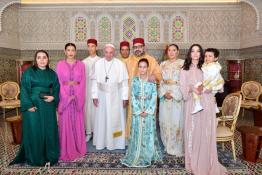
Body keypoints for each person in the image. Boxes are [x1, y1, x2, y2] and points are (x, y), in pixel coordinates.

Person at [180, 44, 227, 175]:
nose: (195, 54)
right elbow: (183, 88)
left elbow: (220, 84)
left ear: (201, 54)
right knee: (193, 132)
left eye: (198, 51)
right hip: (192, 104)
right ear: (189, 54)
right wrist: (191, 88)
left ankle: (208, 162)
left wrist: (209, 89)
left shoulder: (206, 67)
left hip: (207, 103)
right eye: (193, 51)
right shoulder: (184, 69)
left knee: (206, 133)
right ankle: (193, 162)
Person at [10, 50, 60, 166]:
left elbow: (57, 88)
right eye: (39, 57)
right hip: (33, 106)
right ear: (35, 59)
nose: (42, 60)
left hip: (48, 106)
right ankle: (35, 157)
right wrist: (28, 105)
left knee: (49, 129)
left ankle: (50, 155)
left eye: (44, 57)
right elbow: (24, 89)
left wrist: (53, 97)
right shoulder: (29, 72)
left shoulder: (52, 73)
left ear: (48, 59)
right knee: (35, 130)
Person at [121, 58, 162, 167]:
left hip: (148, 113)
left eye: (144, 67)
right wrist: (139, 110)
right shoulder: (134, 80)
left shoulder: (152, 81)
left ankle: (148, 154)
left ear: (147, 68)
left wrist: (148, 110)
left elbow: (154, 96)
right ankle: (136, 153)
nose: (142, 69)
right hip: (137, 113)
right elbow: (133, 96)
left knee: (148, 134)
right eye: (140, 67)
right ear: (138, 68)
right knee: (137, 133)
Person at [92, 44, 128, 150]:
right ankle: (102, 142)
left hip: (116, 95)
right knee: (102, 118)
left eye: (111, 52)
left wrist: (125, 97)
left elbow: (125, 82)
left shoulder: (120, 64)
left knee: (116, 118)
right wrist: (94, 95)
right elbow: (94, 81)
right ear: (103, 52)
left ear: (114, 52)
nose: (108, 55)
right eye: (106, 52)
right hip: (102, 95)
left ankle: (116, 142)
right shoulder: (98, 64)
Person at [125, 37, 162, 138]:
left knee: (147, 120)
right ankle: (133, 139)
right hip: (133, 97)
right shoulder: (128, 61)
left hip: (147, 99)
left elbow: (158, 74)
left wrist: (155, 76)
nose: (137, 49)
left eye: (139, 47)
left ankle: (147, 140)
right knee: (133, 117)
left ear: (144, 47)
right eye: (135, 47)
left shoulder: (151, 60)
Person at [56, 43, 86, 161]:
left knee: (77, 122)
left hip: (78, 97)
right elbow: (58, 82)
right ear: (65, 51)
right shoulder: (60, 65)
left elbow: (83, 82)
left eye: (73, 50)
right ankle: (67, 148)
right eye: (68, 50)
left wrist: (77, 95)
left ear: (76, 51)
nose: (70, 52)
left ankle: (79, 148)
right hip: (65, 99)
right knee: (66, 123)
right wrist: (67, 97)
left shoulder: (81, 65)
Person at [159, 44, 184, 156]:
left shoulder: (182, 64)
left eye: (174, 50)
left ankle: (176, 146)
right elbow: (160, 81)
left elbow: (184, 81)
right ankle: (166, 145)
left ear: (178, 52)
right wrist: (164, 93)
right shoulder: (162, 64)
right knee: (164, 121)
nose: (171, 52)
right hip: (165, 96)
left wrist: (174, 94)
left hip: (177, 95)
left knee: (176, 121)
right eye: (169, 50)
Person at [192, 48, 224, 114]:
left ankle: (198, 105)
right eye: (206, 56)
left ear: (215, 58)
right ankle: (215, 107)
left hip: (212, 83)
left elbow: (210, 77)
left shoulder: (214, 67)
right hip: (209, 83)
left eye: (210, 56)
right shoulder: (208, 65)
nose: (207, 58)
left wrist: (202, 85)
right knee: (212, 96)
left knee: (196, 90)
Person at [82, 38, 101, 142]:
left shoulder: (101, 60)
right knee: (88, 111)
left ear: (96, 47)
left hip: (98, 90)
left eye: (92, 46)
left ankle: (97, 132)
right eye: (89, 46)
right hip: (87, 89)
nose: (90, 48)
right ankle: (88, 132)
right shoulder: (84, 62)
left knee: (97, 110)